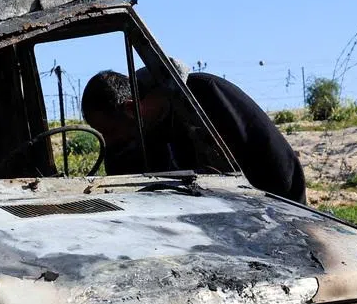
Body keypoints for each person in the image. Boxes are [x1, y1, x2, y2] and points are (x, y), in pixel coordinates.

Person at [81, 65, 307, 202]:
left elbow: (274, 160)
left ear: (132, 109)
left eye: (110, 131)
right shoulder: (127, 143)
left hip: (267, 207)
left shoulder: (207, 96)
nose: (108, 141)